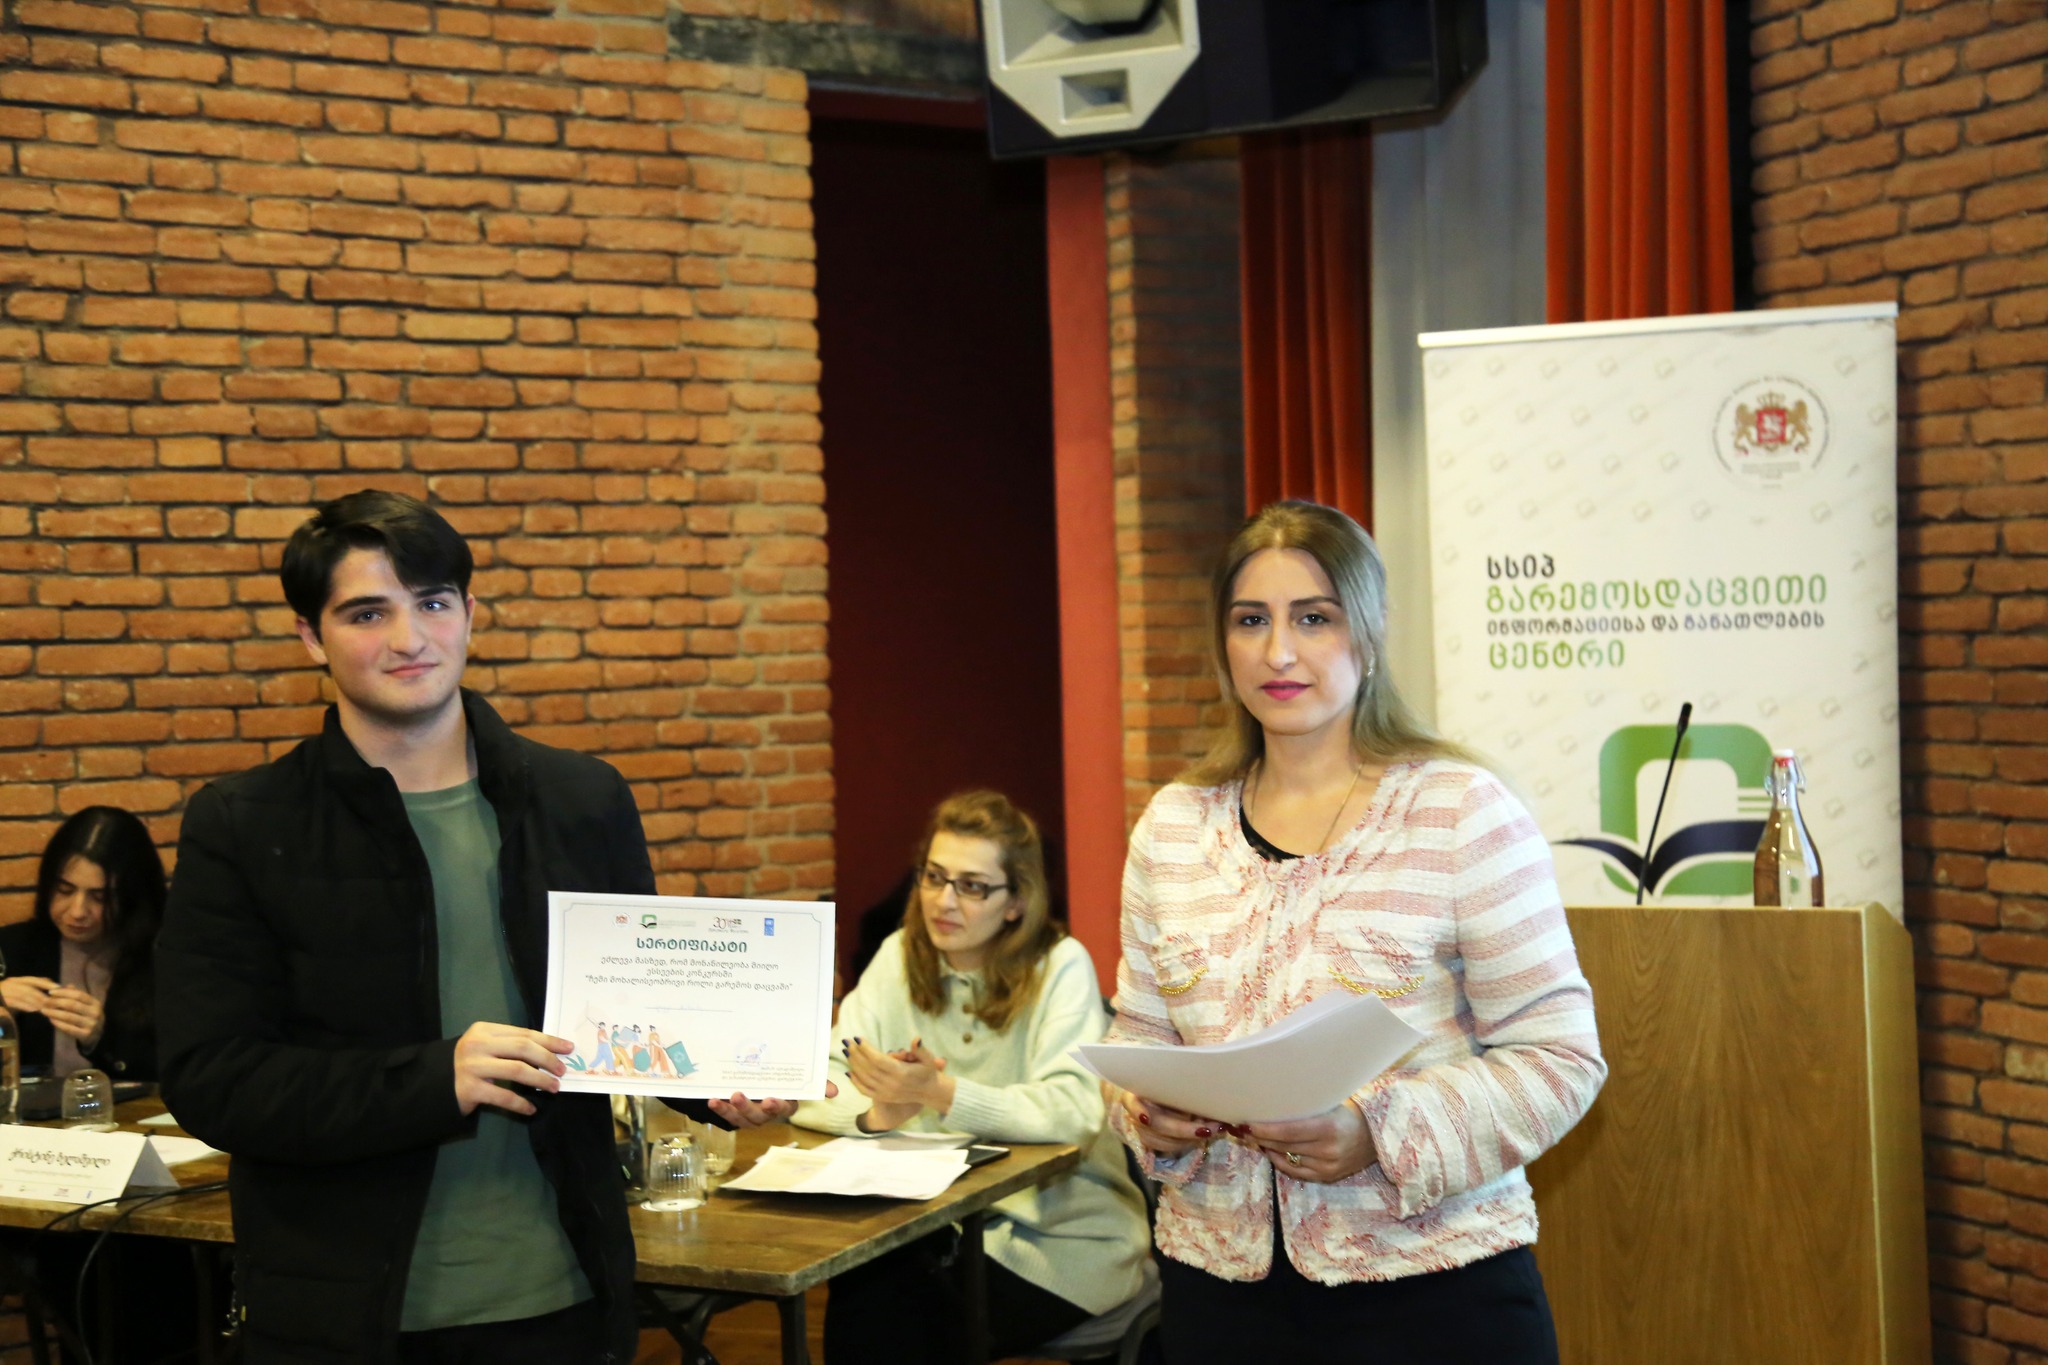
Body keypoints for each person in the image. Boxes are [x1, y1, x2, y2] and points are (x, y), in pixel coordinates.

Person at [157, 490, 800, 1365]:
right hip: (342, 1315)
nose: (409, 638)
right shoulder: (243, 822)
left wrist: (721, 1080)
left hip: (565, 1295)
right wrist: (436, 1077)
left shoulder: (582, 798)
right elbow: (212, 1079)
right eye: (366, 613)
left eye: (432, 602)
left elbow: (635, 1010)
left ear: (469, 612)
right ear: (311, 636)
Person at [1107, 501, 1606, 1365]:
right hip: (1217, 1297)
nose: (1279, 651)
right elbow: (1138, 1041)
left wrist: (1378, 1130)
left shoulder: (1460, 810)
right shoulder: (1173, 826)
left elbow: (1561, 1058)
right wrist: (1145, 1112)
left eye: (1314, 618)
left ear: (1368, 636)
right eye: (1251, 620)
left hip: (1434, 1296)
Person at [794, 790, 1150, 1365]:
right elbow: (818, 1082)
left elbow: (1074, 1110)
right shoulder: (898, 957)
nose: (944, 901)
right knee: (869, 1279)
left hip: (1057, 1238)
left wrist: (940, 1094)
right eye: (934, 877)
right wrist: (875, 1114)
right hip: (932, 1224)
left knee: (893, 1311)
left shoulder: (1059, 965)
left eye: (973, 886)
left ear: (1016, 902)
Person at [0, 806, 165, 1081]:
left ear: (131, 897)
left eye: (100, 897)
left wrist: (102, 1040)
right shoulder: (12, 949)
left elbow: (178, 1072)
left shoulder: (164, 958)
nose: (77, 911)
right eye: (64, 890)